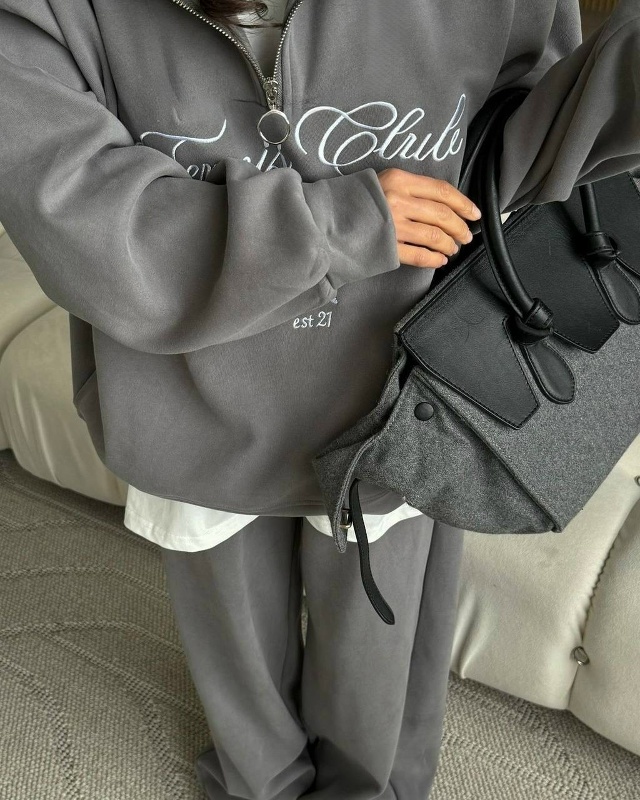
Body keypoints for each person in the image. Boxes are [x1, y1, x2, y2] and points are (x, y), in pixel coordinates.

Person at [1, 0, 639, 797]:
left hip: (402, 397)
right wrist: (332, 226)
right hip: (189, 393)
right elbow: (76, 219)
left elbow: (520, 151)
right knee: (243, 681)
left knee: (377, 688)